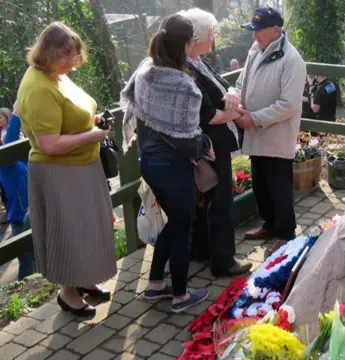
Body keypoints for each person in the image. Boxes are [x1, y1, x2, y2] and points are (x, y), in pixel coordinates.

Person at [17, 22, 115, 316]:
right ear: (47, 52)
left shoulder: (57, 75)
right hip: (59, 172)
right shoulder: (37, 86)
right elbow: (48, 144)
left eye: (75, 55)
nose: (72, 62)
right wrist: (94, 136)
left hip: (82, 166)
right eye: (65, 55)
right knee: (68, 233)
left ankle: (85, 279)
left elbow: (71, 112)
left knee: (87, 229)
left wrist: (93, 120)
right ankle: (67, 292)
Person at [120, 14, 211, 313]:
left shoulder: (145, 69)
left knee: (171, 225)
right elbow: (187, 137)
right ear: (186, 44)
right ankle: (181, 296)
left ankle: (156, 283)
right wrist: (205, 146)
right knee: (181, 228)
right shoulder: (183, 85)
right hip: (173, 168)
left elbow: (132, 100)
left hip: (148, 162)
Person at [178, 7, 252, 277]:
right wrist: (235, 112)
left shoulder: (198, 61)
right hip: (210, 145)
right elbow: (206, 114)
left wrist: (232, 92)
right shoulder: (186, 69)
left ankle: (203, 249)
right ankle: (223, 260)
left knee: (208, 198)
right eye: (211, 33)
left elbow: (222, 83)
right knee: (220, 201)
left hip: (211, 143)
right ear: (196, 37)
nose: (214, 38)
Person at [230, 6, 306, 253]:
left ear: (277, 30)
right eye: (253, 30)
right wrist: (234, 97)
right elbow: (242, 82)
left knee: (279, 186)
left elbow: (289, 105)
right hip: (255, 131)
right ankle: (269, 224)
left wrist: (254, 118)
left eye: (259, 30)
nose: (254, 36)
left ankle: (285, 233)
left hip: (275, 135)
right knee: (261, 185)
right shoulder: (255, 50)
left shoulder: (292, 60)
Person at [0, 102, 34, 280]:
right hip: (20, 219)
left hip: (34, 213)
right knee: (27, 264)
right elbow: (10, 142)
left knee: (37, 259)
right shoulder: (6, 164)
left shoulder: (24, 158)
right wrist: (15, 113)